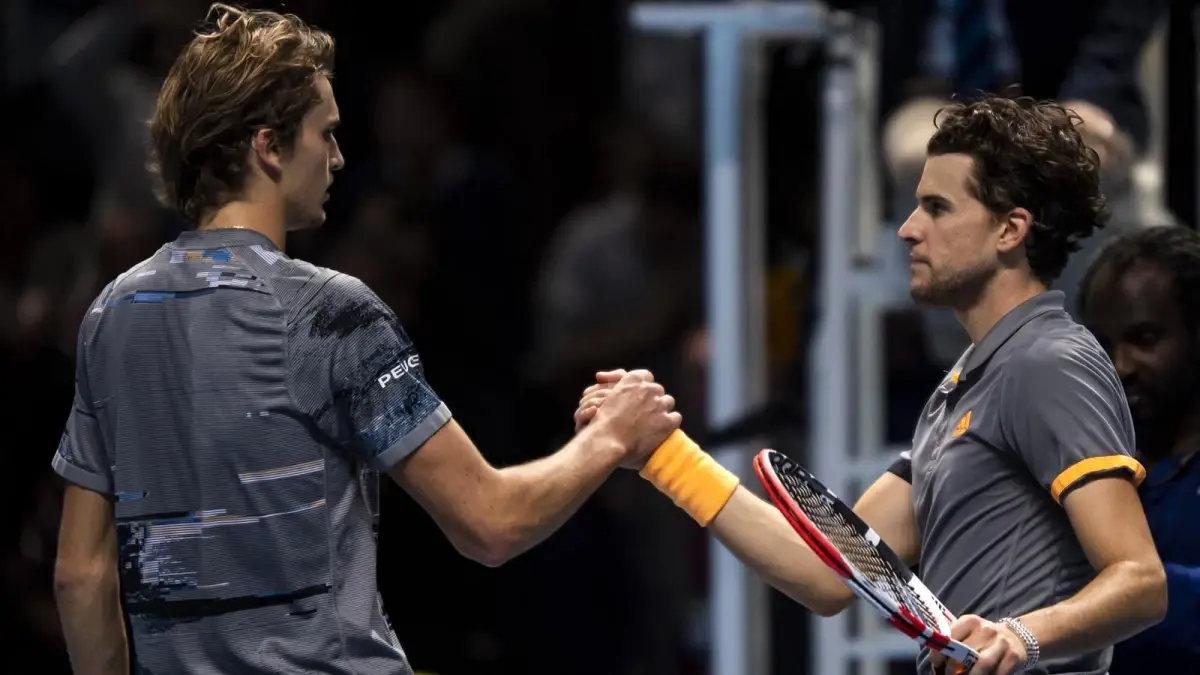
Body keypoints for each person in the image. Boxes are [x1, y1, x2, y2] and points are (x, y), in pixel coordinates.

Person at [49, 5, 680, 675]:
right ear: (268, 146)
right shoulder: (332, 311)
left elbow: (80, 575)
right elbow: (490, 522)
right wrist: (611, 435)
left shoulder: (113, 314)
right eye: (326, 133)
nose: (340, 157)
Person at [576, 96, 1167, 675]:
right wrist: (663, 455)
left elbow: (1140, 579)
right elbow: (826, 575)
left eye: (937, 208)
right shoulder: (963, 390)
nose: (908, 230)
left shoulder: (1050, 361)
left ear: (1010, 230)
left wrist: (1021, 635)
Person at [1077, 224, 1200, 674]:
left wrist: (1107, 587)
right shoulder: (1082, 471)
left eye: (1145, 339)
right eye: (1103, 347)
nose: (1119, 366)